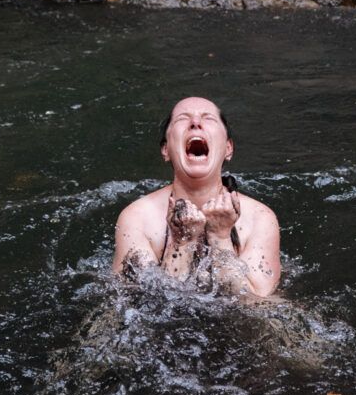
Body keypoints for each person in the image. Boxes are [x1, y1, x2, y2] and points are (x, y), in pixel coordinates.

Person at [112, 96, 281, 296]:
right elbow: (145, 307)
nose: (195, 123)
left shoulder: (259, 218)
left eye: (208, 118)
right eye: (182, 118)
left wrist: (221, 237)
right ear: (165, 150)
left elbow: (256, 307)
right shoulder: (137, 218)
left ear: (228, 148)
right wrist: (181, 242)